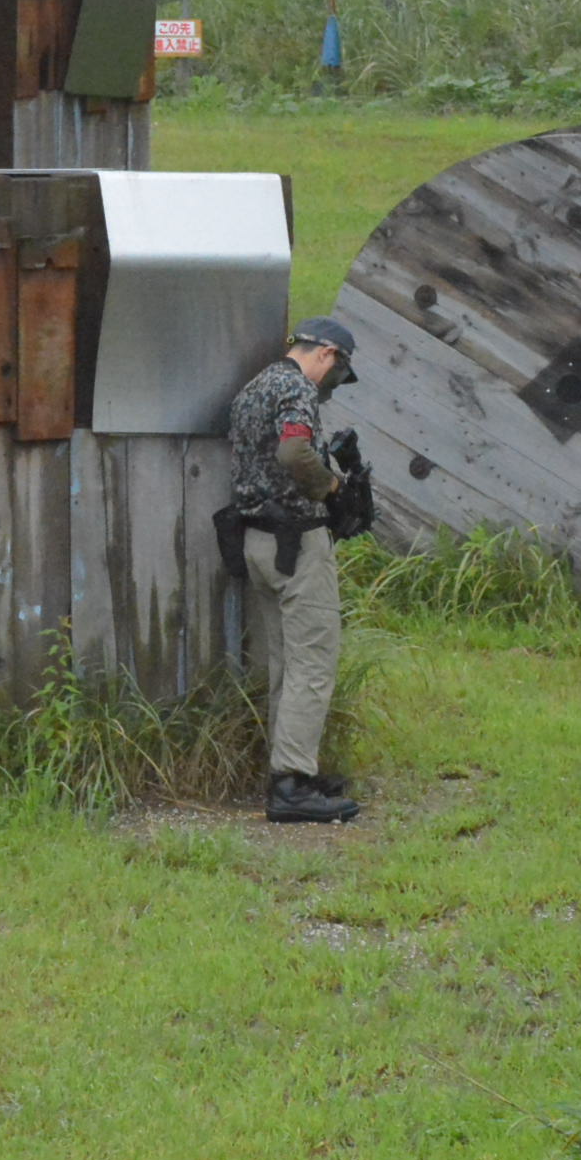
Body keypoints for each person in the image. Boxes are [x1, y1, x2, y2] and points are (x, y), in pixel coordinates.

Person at [225, 319, 364, 825]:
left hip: (257, 542)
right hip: (297, 543)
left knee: (286, 663)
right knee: (314, 662)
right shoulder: (297, 388)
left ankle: (292, 771)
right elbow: (292, 451)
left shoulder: (255, 386)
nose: (331, 384)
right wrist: (332, 487)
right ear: (326, 354)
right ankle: (290, 786)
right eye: (337, 371)